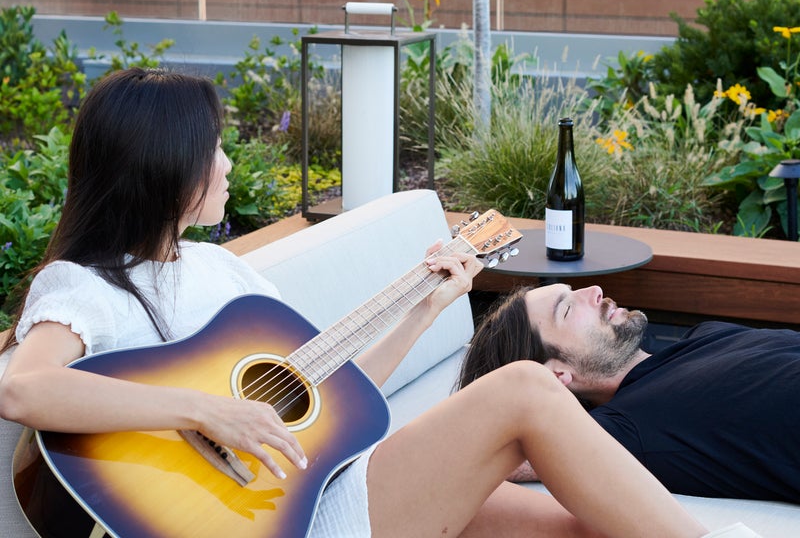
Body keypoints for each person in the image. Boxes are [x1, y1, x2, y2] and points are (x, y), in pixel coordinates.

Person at [0, 67, 724, 538]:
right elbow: (22, 387)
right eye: (214, 148)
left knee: (579, 524)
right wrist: (203, 409)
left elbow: (332, 400)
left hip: (329, 484)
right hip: (276, 520)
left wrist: (426, 306)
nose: (227, 163)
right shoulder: (83, 285)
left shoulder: (218, 270)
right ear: (164, 163)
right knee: (528, 389)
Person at [459, 283, 800, 506]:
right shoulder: (620, 428)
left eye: (574, 291)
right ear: (556, 373)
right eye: (566, 309)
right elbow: (480, 453)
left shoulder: (704, 336)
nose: (594, 291)